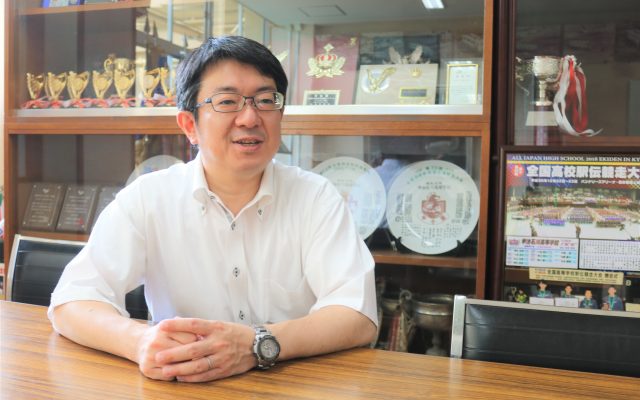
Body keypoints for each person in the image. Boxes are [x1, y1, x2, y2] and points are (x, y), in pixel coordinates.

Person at [48, 36, 378, 383]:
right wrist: (140, 341)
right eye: (227, 102)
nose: (250, 117)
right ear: (189, 125)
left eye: (266, 100)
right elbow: (73, 300)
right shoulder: (149, 197)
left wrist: (256, 343)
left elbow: (357, 315)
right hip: (181, 385)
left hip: (292, 383)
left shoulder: (316, 197)